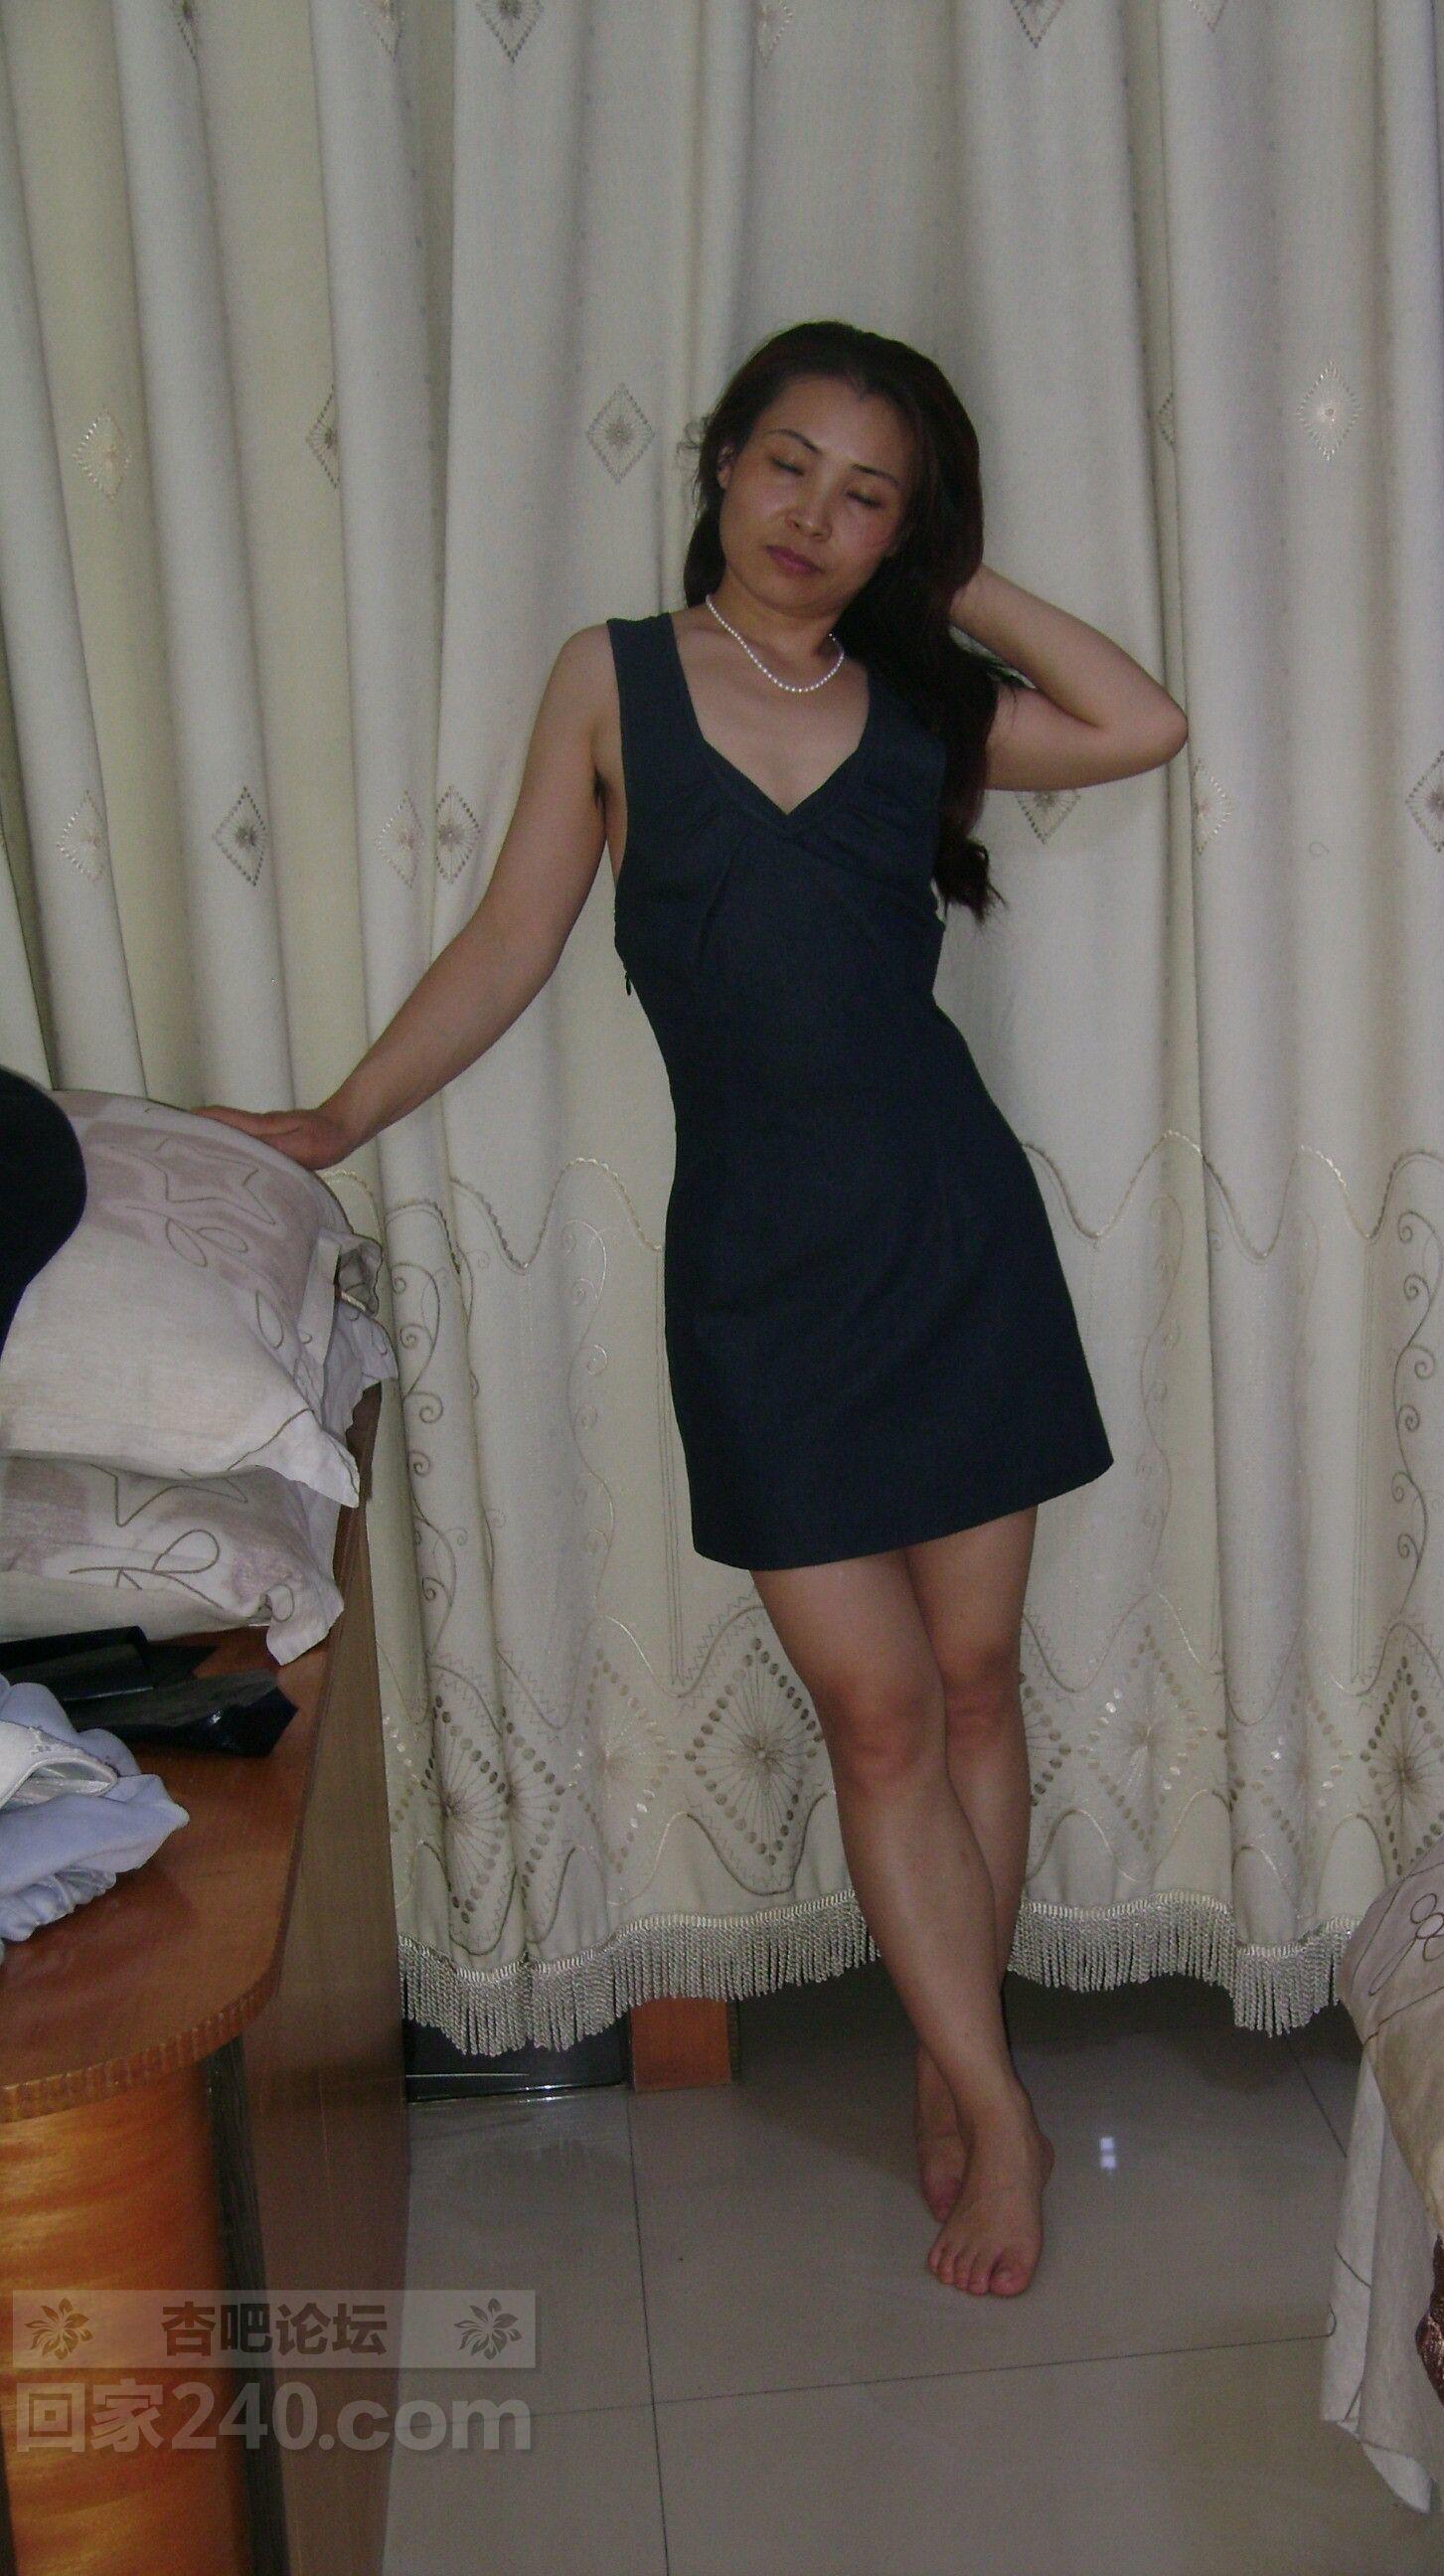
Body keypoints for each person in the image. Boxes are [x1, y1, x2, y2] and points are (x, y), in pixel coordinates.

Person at [201, 320, 1188, 2300]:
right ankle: (1000, 2112)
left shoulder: (922, 708)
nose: (814, 516)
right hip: (757, 1277)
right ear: (722, 463)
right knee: (876, 1712)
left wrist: (950, 577)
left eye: (868, 496)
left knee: (973, 1686)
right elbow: (512, 939)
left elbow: (1138, 723)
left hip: (953, 1241)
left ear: (903, 534)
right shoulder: (615, 683)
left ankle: (956, 2065)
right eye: (788, 464)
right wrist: (341, 1115)